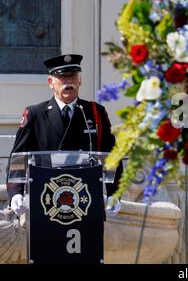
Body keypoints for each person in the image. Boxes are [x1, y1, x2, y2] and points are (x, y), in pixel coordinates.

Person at [7, 54, 121, 217]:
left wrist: (114, 192)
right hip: (46, 198)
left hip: (85, 198)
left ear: (80, 80)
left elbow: (111, 155)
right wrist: (16, 192)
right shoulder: (35, 114)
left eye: (73, 76)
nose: (68, 82)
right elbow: (18, 157)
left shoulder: (95, 112)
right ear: (50, 83)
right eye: (62, 77)